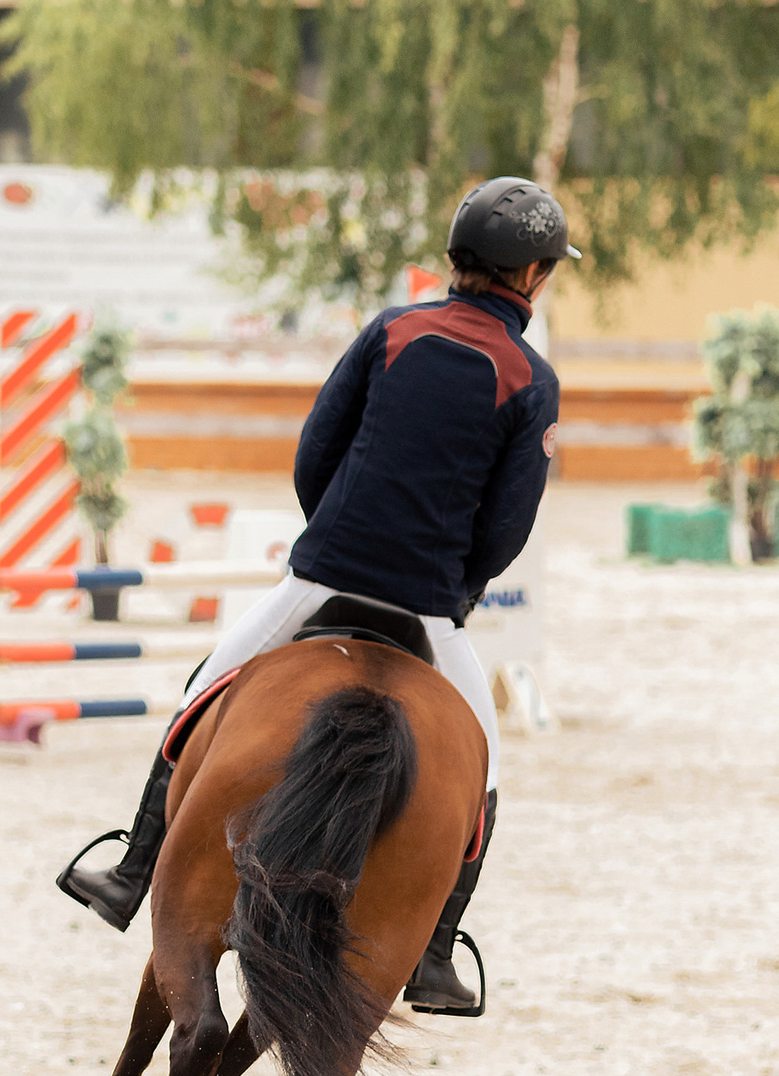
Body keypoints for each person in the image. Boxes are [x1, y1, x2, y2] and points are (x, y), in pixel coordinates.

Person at [55, 175, 574, 1014]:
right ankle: (435, 954)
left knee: (202, 695)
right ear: (534, 275)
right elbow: (509, 523)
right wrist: (459, 591)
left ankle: (131, 867)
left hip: (323, 574)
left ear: (455, 258)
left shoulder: (392, 330)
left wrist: (330, 540)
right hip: (430, 605)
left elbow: (316, 449)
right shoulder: (531, 379)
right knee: (482, 765)